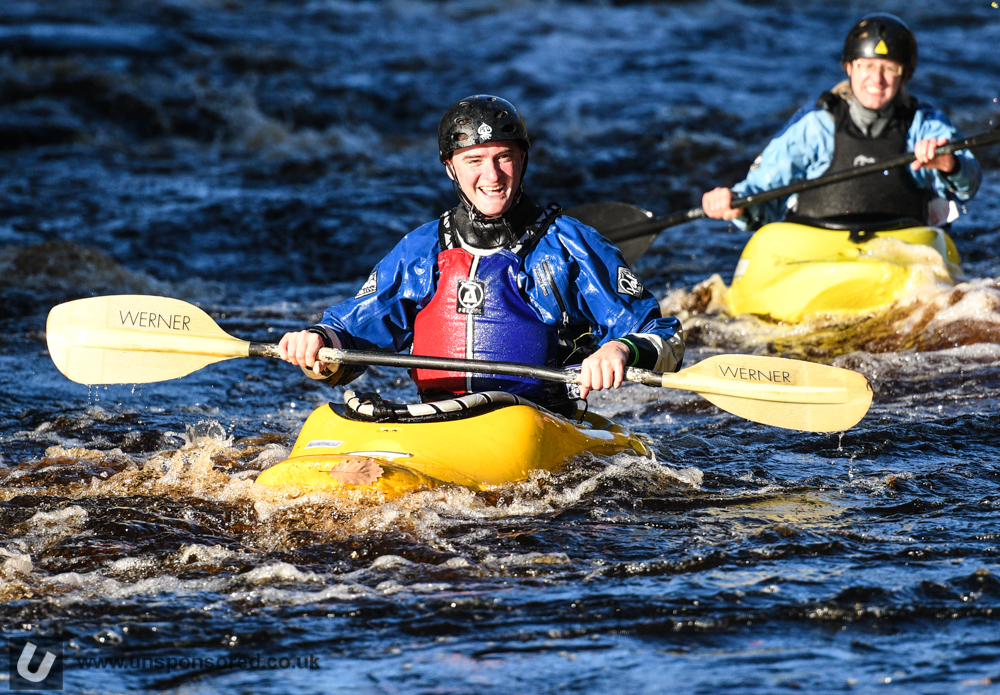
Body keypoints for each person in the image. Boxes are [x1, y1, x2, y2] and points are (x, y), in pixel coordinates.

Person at [279, 95, 684, 412]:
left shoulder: (570, 247)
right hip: (436, 420)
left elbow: (664, 337)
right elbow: (352, 333)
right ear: (450, 168)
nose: (491, 176)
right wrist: (319, 345)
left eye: (503, 157)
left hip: (537, 423)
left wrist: (618, 349)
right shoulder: (422, 249)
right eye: (474, 160)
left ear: (522, 160)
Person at [702, 13, 981, 229]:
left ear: (904, 76)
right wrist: (735, 202)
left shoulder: (925, 125)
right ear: (849, 68)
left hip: (900, 251)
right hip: (819, 251)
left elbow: (969, 183)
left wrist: (949, 164)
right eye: (866, 65)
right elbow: (764, 192)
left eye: (889, 68)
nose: (877, 78)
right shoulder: (817, 125)